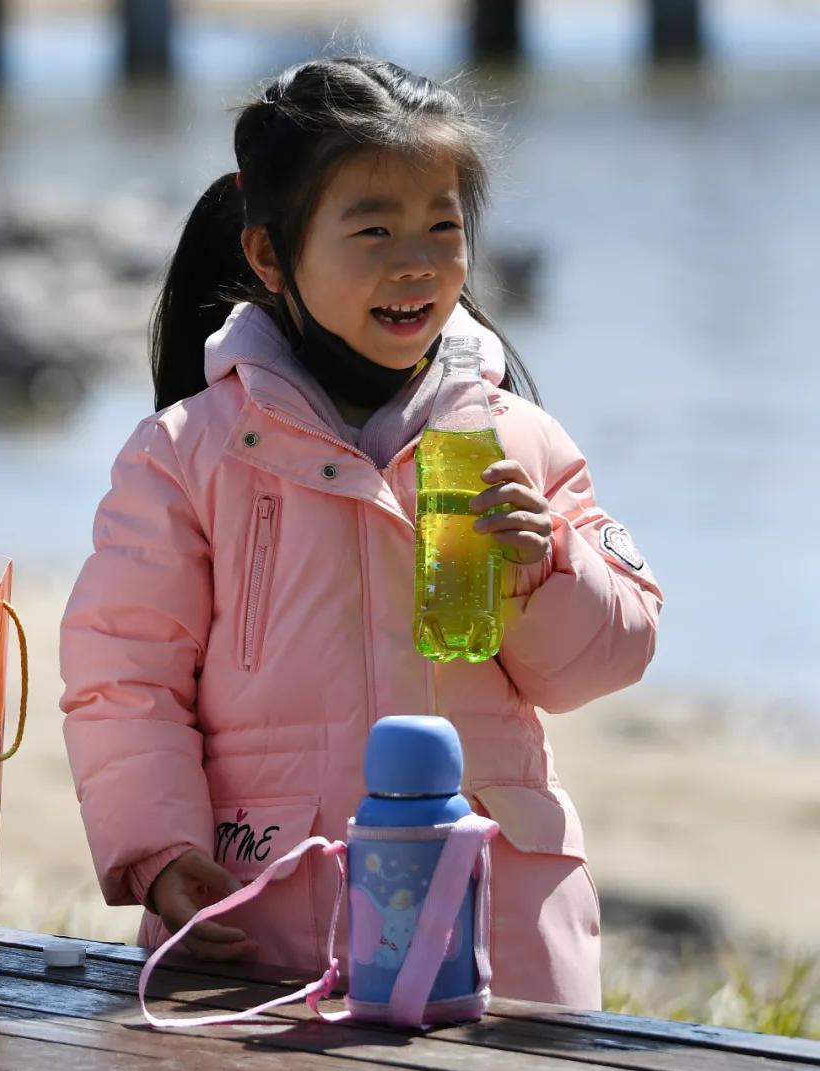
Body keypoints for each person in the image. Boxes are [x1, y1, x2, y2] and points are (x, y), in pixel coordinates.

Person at [60, 56, 662, 1009]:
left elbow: (603, 662)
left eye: (442, 228)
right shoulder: (190, 454)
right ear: (271, 257)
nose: (416, 264)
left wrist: (548, 564)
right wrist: (161, 853)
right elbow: (123, 677)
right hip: (269, 929)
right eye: (373, 230)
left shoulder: (514, 435)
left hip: (502, 932)